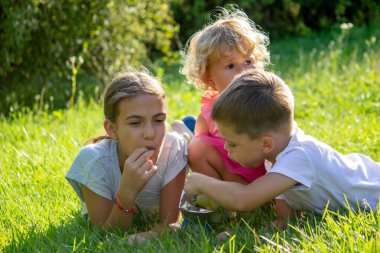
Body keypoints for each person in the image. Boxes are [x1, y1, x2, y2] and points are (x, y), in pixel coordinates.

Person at [184, 69, 380, 228]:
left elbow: (244, 199)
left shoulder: (298, 157)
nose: (226, 148)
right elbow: (285, 220)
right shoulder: (276, 154)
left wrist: (201, 183)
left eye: (232, 143)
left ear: (266, 144)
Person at [66, 71, 188, 241]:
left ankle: (186, 131)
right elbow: (103, 233)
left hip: (180, 143)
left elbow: (170, 224)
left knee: (186, 141)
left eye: (159, 120)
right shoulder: (94, 160)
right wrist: (126, 194)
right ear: (112, 129)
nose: (150, 133)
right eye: (135, 123)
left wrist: (139, 239)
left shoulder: (174, 148)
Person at [181, 7, 270, 184]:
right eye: (230, 66)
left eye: (248, 61)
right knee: (196, 147)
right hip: (233, 180)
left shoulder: (266, 99)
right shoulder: (211, 110)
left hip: (268, 178)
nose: (243, 71)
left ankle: (183, 129)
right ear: (209, 79)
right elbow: (201, 138)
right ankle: (219, 198)